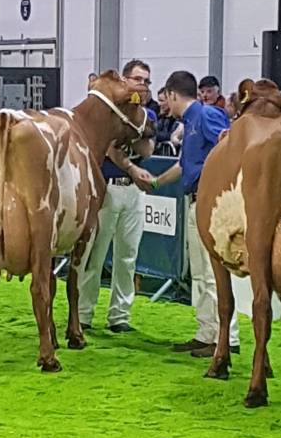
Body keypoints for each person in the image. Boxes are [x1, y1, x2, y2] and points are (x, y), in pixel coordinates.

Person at [151, 70, 240, 357]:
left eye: (167, 98)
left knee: (213, 274)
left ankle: (228, 338)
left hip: (209, 204)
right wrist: (154, 182)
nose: (165, 105)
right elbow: (184, 165)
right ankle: (207, 333)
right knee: (201, 274)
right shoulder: (190, 122)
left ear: (174, 95)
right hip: (195, 201)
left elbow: (228, 148)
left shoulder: (205, 116)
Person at [78, 60, 156, 333]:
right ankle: (83, 313)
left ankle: (119, 316)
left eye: (146, 81)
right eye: (137, 79)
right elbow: (110, 148)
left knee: (127, 255)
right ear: (124, 80)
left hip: (133, 192)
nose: (142, 85)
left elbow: (147, 147)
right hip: (108, 186)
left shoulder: (147, 113)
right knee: (95, 253)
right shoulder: (110, 109)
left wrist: (135, 136)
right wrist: (133, 167)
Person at [155, 86, 182, 155]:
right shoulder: (161, 118)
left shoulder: (180, 119)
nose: (159, 104)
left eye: (161, 101)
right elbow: (154, 133)